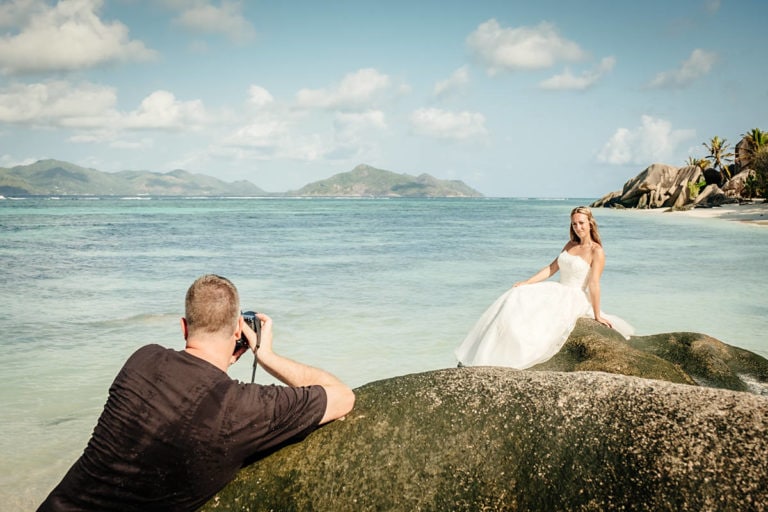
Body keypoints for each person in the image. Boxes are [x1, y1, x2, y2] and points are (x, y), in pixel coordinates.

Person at [38, 274, 355, 512]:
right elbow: (342, 396)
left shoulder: (142, 359)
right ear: (236, 334)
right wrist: (266, 356)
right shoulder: (244, 408)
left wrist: (222, 361)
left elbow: (186, 391)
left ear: (184, 327)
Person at [455, 206, 633, 369]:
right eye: (574, 224)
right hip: (557, 288)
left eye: (581, 223)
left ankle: (511, 356)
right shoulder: (570, 245)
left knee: (539, 326)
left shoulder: (597, 251)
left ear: (590, 223)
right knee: (515, 295)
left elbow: (594, 284)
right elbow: (552, 268)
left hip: (574, 295)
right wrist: (527, 282)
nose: (578, 227)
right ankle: (489, 351)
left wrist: (597, 315)